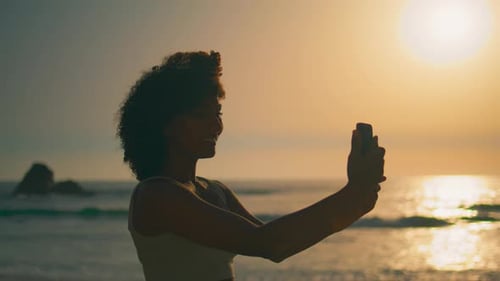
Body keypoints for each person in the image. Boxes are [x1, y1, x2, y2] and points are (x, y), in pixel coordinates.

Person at [116, 50, 386, 281]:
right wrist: (352, 193)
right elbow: (269, 243)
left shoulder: (214, 191)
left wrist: (360, 198)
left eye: (217, 113)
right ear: (165, 125)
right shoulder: (156, 195)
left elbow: (281, 242)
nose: (216, 125)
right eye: (201, 115)